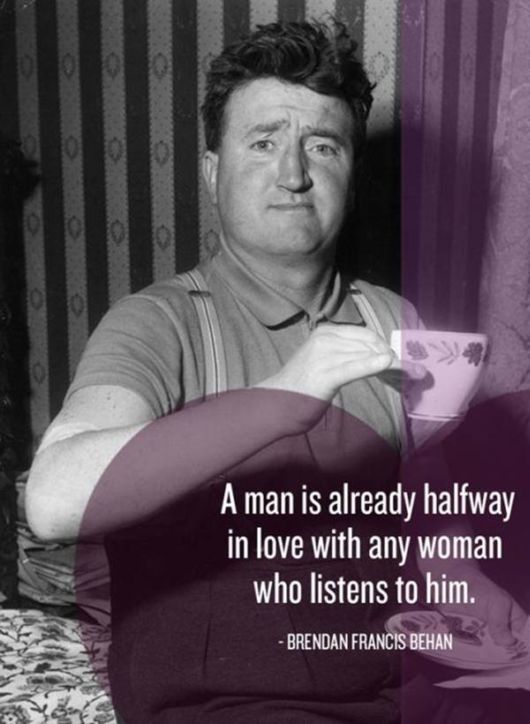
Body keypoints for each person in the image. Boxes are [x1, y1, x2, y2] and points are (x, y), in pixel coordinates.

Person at [26, 19, 526, 723]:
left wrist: (471, 592)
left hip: (396, 683)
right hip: (230, 699)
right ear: (213, 171)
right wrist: (283, 397)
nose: (293, 174)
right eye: (263, 143)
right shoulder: (158, 322)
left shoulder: (395, 318)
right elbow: (51, 501)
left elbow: (424, 506)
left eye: (322, 146)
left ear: (350, 177)